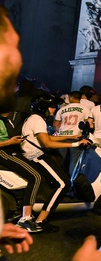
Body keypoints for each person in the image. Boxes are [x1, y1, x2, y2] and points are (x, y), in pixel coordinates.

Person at [0, 2, 101, 261]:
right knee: (55, 181)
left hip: (59, 148)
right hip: (43, 152)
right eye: (12, 45)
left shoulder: (47, 113)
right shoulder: (43, 115)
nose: (19, 58)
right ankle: (37, 220)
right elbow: (47, 140)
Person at [21, 93, 91, 231]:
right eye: (51, 107)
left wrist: (72, 136)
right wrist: (75, 145)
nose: (54, 110)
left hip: (36, 155)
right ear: (43, 107)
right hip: (37, 156)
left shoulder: (34, 118)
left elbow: (49, 138)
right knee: (63, 183)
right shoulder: (37, 120)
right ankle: (41, 220)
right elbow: (47, 143)